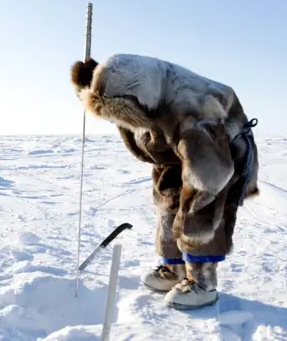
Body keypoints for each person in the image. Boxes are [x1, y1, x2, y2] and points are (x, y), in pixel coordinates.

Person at [70, 54, 260, 310]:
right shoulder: (142, 92)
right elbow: (140, 134)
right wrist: (91, 83)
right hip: (178, 149)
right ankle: (175, 269)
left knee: (201, 208)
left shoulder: (192, 112)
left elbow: (210, 175)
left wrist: (191, 226)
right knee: (167, 198)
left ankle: (203, 282)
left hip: (218, 154)